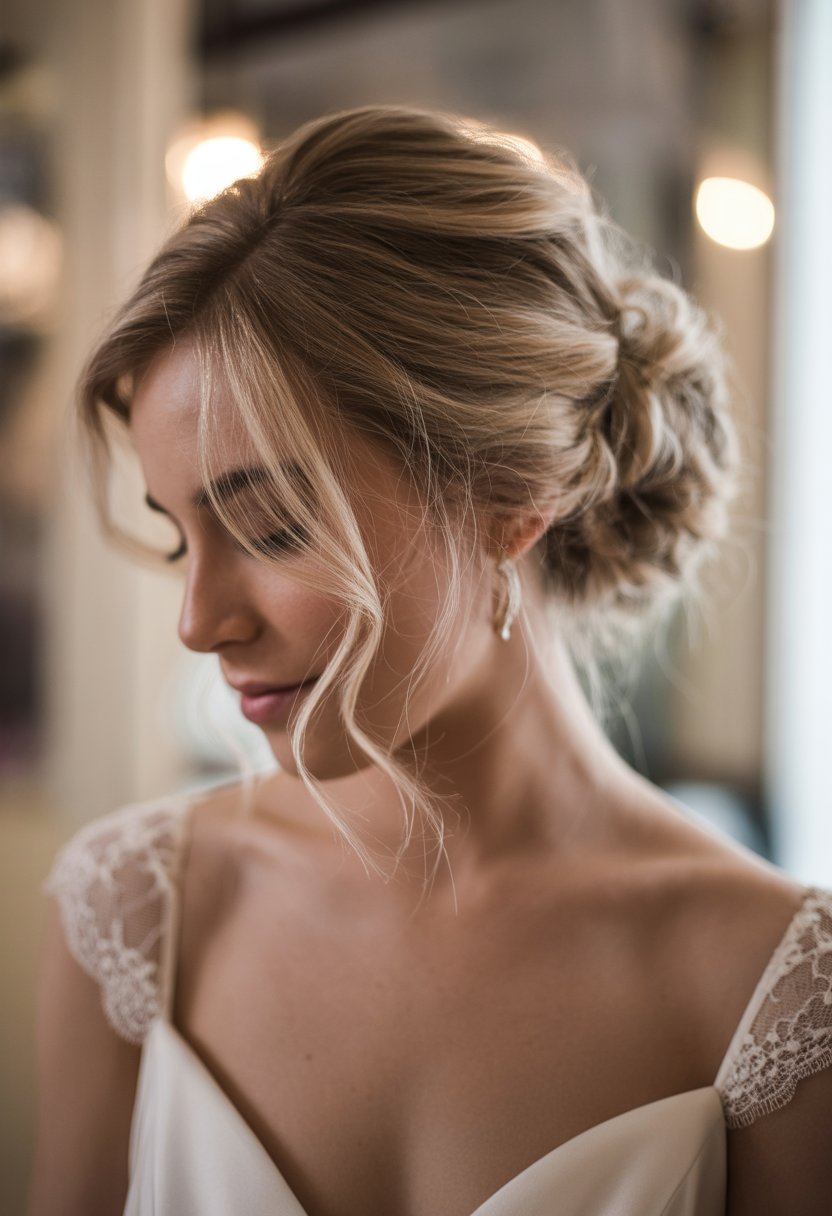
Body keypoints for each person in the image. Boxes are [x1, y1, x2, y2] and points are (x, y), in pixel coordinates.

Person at [28, 105, 831, 1216]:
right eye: (178, 534)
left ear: (509, 493)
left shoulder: (773, 992)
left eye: (267, 526)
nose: (199, 620)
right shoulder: (138, 916)